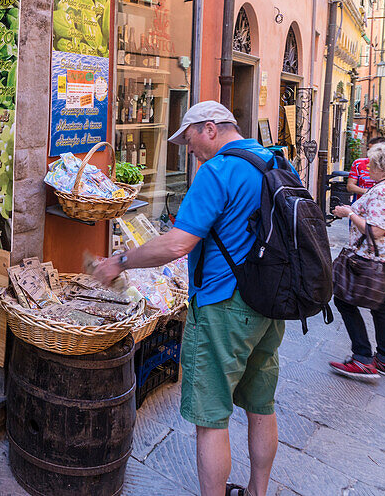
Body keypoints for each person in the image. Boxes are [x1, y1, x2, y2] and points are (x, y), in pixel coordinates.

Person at [94, 102, 285, 496]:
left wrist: (122, 261)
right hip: (269, 302)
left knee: (211, 418)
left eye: (191, 138)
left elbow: (178, 244)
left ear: (210, 129)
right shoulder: (273, 160)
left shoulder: (217, 171)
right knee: (261, 406)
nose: (189, 149)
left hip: (223, 305)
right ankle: (257, 492)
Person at [328, 141, 385, 381]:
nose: (368, 169)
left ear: (383, 167)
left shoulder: (384, 191)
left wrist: (349, 213)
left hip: (376, 257)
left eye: (372, 165)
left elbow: (375, 230)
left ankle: (362, 358)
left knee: (344, 299)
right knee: (380, 306)